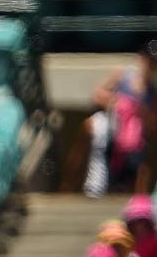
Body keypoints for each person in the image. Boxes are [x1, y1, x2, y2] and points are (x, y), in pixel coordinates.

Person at [64, 40, 157, 196]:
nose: (152, 65)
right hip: (112, 124)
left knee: (144, 158)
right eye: (151, 59)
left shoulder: (152, 92)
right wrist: (117, 102)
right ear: (143, 57)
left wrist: (142, 113)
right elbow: (97, 95)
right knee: (88, 128)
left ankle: (137, 201)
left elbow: (153, 125)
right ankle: (68, 187)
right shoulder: (123, 74)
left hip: (136, 138)